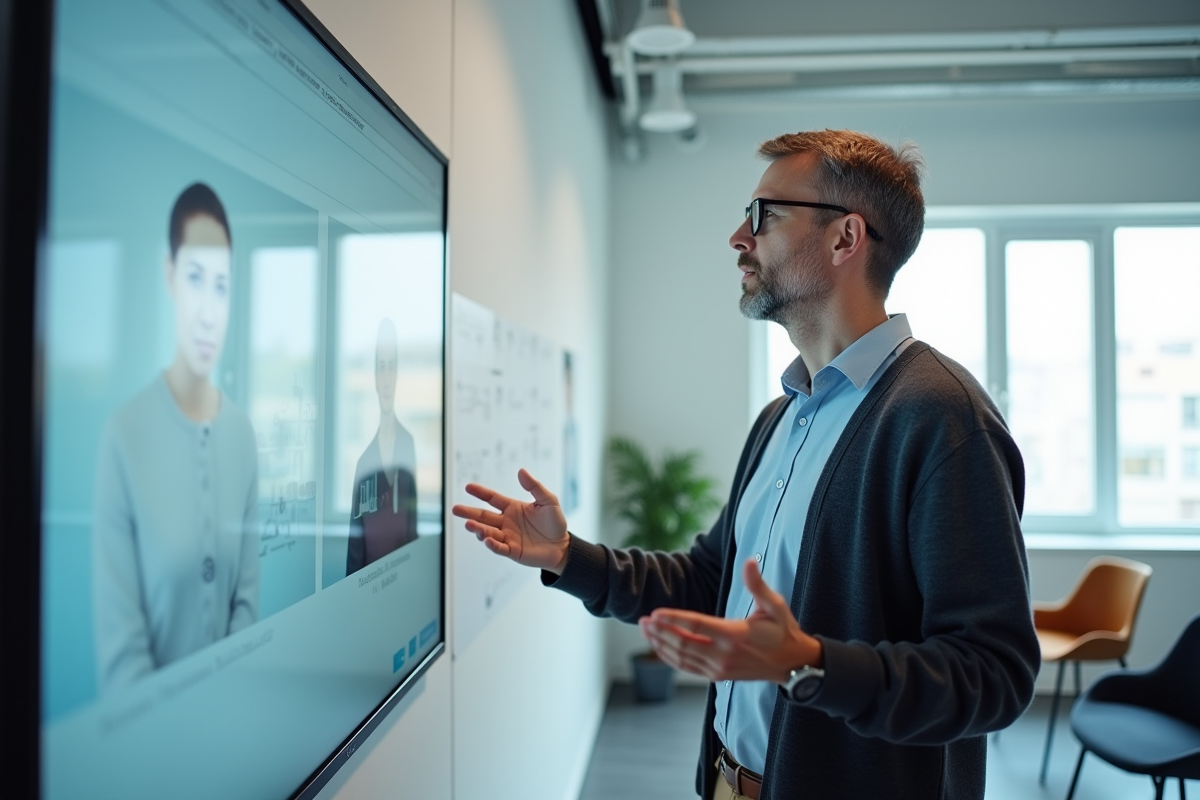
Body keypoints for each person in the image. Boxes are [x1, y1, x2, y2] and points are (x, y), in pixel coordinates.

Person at [453, 130, 1040, 799]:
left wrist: (810, 665)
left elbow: (994, 674)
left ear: (846, 238)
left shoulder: (939, 417)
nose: (738, 235)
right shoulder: (780, 418)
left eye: (764, 214)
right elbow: (712, 583)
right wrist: (566, 555)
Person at [93, 182, 260, 691]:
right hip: (149, 757)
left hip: (235, 739)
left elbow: (247, 609)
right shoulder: (124, 436)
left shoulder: (242, 435)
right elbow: (121, 663)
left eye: (222, 286)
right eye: (195, 278)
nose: (208, 311)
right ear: (169, 277)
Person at [346, 317, 418, 575]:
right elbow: (354, 557)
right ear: (375, 376)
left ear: (397, 374)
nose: (386, 379)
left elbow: (413, 531)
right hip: (371, 598)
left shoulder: (408, 445)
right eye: (381, 367)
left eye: (391, 367)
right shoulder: (364, 464)